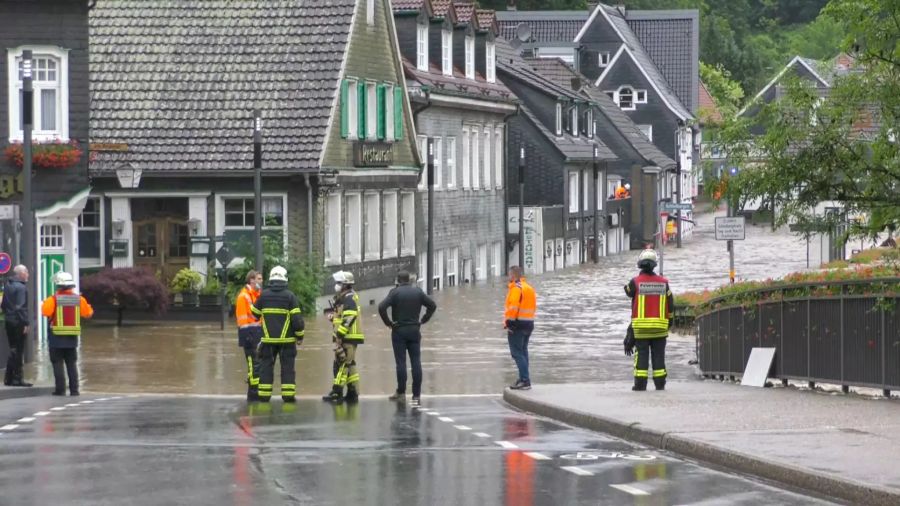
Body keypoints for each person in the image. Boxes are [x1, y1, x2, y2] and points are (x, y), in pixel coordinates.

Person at [378, 270, 437, 406]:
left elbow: (381, 307)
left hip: (399, 330)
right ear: (409, 280)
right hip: (415, 330)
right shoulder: (417, 291)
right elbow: (432, 305)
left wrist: (388, 323)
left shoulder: (395, 292)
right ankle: (416, 395)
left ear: (398, 280)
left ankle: (401, 393)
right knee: (416, 361)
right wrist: (423, 319)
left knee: (401, 363)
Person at [251, 266, 305, 402]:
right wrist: (300, 336)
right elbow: (297, 320)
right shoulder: (290, 296)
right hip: (287, 342)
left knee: (266, 368)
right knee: (287, 368)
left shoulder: (263, 295)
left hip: (267, 341)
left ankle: (263, 395)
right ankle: (288, 396)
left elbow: (254, 313)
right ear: (285, 279)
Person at [624, 249, 674, 391]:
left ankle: (640, 385)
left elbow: (628, 291)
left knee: (641, 358)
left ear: (640, 264)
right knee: (659, 357)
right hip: (659, 329)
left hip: (641, 330)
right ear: (654, 265)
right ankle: (660, 385)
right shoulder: (664, 283)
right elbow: (671, 304)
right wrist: (669, 321)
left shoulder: (636, 282)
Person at [40, 272, 93, 396]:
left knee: (57, 363)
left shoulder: (52, 299)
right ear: (71, 286)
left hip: (56, 337)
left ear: (58, 286)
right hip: (71, 337)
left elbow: (45, 312)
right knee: (71, 364)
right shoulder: (80, 299)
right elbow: (88, 314)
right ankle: (74, 390)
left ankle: (60, 390)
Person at [322, 271, 364, 404]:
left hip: (347, 337)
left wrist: (340, 334)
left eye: (339, 283)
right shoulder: (344, 297)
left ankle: (337, 391)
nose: (336, 285)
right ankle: (353, 393)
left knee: (342, 364)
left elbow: (349, 318)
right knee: (350, 364)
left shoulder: (349, 298)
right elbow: (342, 317)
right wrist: (332, 317)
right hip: (347, 336)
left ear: (345, 285)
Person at [504, 265, 536, 390]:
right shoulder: (529, 288)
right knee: (523, 352)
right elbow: (533, 306)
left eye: (509, 275)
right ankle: (524, 378)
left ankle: (525, 380)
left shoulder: (516, 289)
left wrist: (510, 323)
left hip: (517, 325)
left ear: (513, 275)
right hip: (529, 323)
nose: (508, 277)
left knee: (517, 353)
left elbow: (513, 307)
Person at [235, 270, 263, 401]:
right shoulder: (243, 296)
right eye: (259, 279)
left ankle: (256, 391)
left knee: (258, 364)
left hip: (258, 334)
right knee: (253, 365)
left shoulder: (258, 295)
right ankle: (253, 393)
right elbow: (242, 320)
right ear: (251, 280)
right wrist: (247, 338)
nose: (261, 281)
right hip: (249, 335)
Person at [2, 265, 32, 387]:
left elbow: (3, 304)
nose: (28, 274)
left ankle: (8, 378)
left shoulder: (8, 285)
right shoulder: (21, 288)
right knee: (19, 350)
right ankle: (17, 379)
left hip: (9, 321)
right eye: (26, 272)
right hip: (18, 322)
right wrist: (26, 323)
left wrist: (8, 315)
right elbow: (21, 307)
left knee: (13, 348)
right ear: (21, 274)